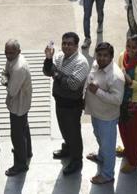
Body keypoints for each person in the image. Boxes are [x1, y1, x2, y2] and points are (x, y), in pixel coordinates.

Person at [43, 32, 90, 175]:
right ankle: (68, 148)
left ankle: (76, 159)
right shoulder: (58, 56)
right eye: (64, 43)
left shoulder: (81, 63)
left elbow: (73, 84)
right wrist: (48, 59)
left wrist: (56, 73)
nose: (66, 46)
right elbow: (46, 71)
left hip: (72, 105)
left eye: (70, 44)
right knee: (64, 129)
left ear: (76, 46)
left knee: (73, 132)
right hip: (59, 101)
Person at [84, 42, 124, 185]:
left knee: (108, 147)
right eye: (99, 55)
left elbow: (117, 99)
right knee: (99, 137)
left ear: (111, 57)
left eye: (105, 56)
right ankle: (101, 157)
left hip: (107, 118)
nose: (101, 58)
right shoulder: (96, 64)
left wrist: (98, 91)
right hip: (96, 113)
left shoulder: (115, 76)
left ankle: (107, 175)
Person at [115, 35, 137, 173]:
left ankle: (135, 160)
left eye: (134, 47)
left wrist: (131, 82)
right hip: (122, 100)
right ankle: (127, 150)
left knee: (134, 134)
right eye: (128, 46)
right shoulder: (122, 56)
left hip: (134, 105)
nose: (130, 50)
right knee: (123, 128)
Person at [2, 39, 33, 176]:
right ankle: (26, 152)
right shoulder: (13, 59)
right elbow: (5, 71)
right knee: (23, 128)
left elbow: (12, 91)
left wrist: (6, 80)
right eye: (6, 52)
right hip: (20, 103)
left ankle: (20, 164)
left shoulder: (19, 67)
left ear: (18, 52)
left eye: (11, 52)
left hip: (18, 104)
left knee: (17, 135)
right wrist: (5, 77)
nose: (8, 55)